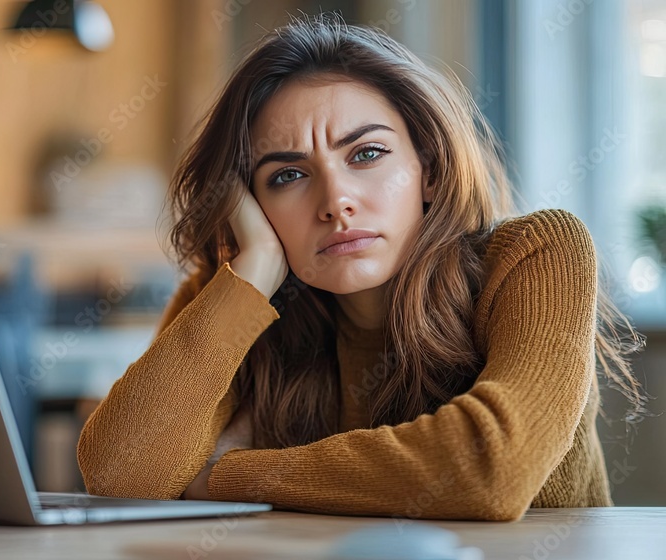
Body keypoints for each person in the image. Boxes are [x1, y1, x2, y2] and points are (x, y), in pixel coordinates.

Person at [76, 12, 647, 521]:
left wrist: (230, 474)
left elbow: (488, 470)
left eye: (366, 154)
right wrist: (251, 275)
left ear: (429, 167)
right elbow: (121, 475)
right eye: (287, 175)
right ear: (249, 205)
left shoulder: (537, 256)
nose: (335, 200)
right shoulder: (235, 295)